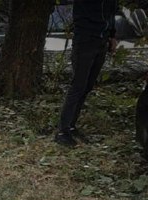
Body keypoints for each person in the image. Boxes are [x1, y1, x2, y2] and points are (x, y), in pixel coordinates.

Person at [55, 0, 119, 147]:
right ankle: (62, 131)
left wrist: (112, 36)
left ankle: (71, 126)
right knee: (78, 85)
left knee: (87, 86)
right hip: (85, 41)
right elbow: (83, 16)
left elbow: (111, 14)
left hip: (102, 42)